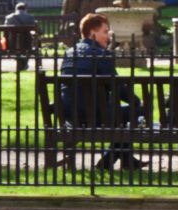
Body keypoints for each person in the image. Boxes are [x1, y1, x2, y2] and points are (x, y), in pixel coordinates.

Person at [58, 12, 143, 170]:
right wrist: (138, 101)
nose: (109, 37)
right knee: (136, 112)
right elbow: (118, 88)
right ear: (92, 33)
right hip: (96, 115)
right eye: (105, 32)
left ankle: (127, 160)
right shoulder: (101, 54)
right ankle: (107, 161)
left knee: (119, 116)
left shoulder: (70, 53)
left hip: (69, 114)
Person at [4, 0, 37, 69]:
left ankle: (21, 62)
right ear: (25, 10)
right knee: (28, 43)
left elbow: (5, 32)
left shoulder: (9, 18)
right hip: (26, 44)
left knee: (18, 45)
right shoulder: (30, 17)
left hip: (12, 44)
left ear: (16, 10)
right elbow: (38, 31)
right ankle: (24, 62)